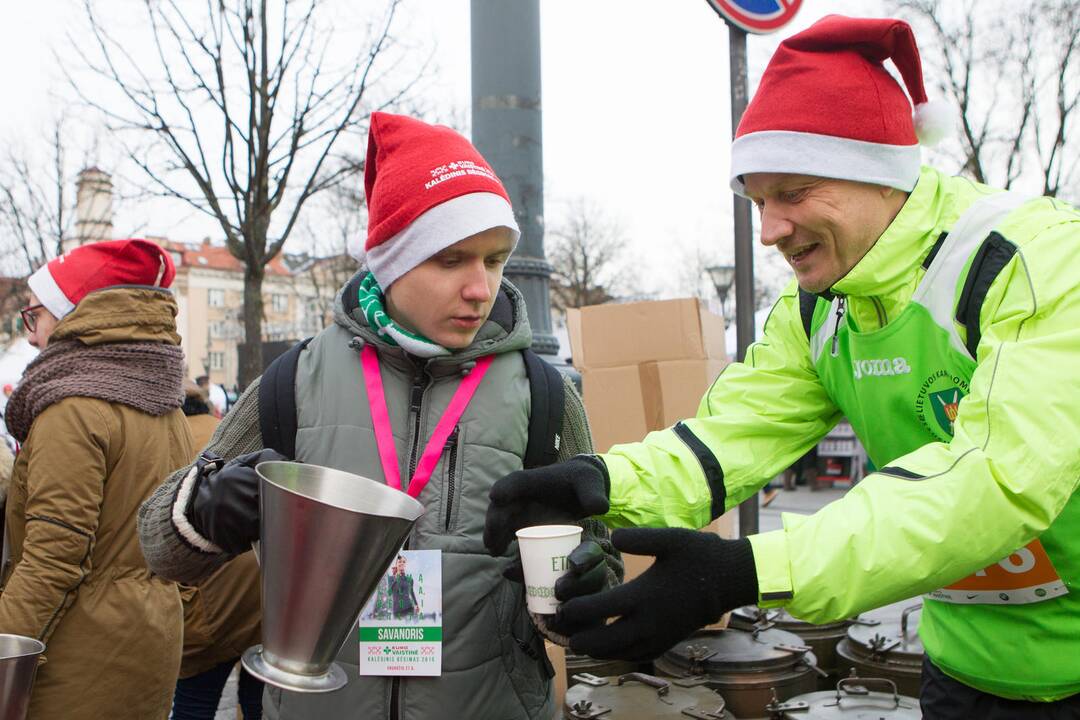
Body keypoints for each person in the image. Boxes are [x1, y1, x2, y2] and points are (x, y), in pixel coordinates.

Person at [483, 15, 1080, 719]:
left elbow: (998, 478)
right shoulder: (816, 308)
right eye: (758, 200)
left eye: (792, 192)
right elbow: (729, 440)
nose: (768, 230)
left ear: (881, 174)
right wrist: (601, 484)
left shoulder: (1037, 258)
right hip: (966, 667)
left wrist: (750, 571)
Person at [138, 112, 622, 720]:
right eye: (452, 260)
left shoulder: (546, 396)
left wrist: (583, 586)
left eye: (495, 260)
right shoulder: (293, 382)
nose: (482, 288)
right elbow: (158, 549)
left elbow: (595, 596)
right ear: (391, 262)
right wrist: (209, 505)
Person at [0, 239, 191, 718]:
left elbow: (52, 563)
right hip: (148, 648)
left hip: (76, 665)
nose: (30, 336)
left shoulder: (73, 408)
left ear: (73, 317)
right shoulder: (164, 403)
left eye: (35, 316)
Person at [172, 379, 264, 720]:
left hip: (209, 599)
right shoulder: (224, 431)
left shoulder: (172, 440)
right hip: (260, 589)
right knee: (258, 700)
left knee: (195, 701)